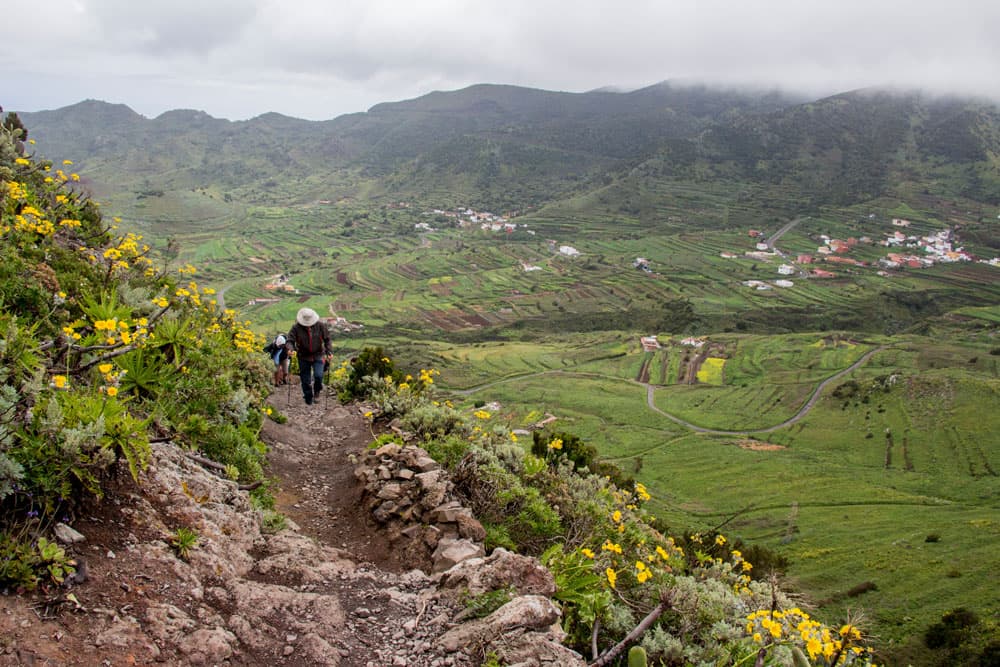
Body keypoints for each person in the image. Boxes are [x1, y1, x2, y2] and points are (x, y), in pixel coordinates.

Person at [287, 307, 331, 405]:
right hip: (303, 356)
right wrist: (290, 349)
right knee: (305, 380)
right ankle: (308, 396)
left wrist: (329, 352)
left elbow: (327, 339)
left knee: (319, 376)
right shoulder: (296, 328)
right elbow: (290, 340)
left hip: (318, 354)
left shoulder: (320, 326)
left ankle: (317, 392)